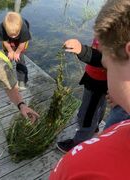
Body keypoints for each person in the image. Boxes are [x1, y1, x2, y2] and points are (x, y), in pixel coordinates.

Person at [50, 0, 130, 179]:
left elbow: (99, 58)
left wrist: (82, 50)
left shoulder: (76, 167)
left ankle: (80, 140)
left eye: (107, 60)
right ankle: (92, 131)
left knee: (89, 115)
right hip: (96, 81)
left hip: (98, 85)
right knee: (92, 113)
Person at [57, 38, 107, 153]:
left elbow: (105, 59)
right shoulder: (111, 27)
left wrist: (82, 50)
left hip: (99, 82)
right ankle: (94, 127)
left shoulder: (117, 34)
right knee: (99, 105)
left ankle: (79, 143)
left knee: (87, 114)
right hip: (94, 76)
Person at [0, 12, 31, 90]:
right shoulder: (1, 28)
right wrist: (10, 51)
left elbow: (22, 43)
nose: (13, 36)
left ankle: (22, 80)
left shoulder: (23, 29)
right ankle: (5, 78)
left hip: (21, 42)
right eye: (11, 35)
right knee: (7, 60)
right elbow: (5, 41)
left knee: (20, 61)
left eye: (15, 34)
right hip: (8, 43)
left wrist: (17, 52)